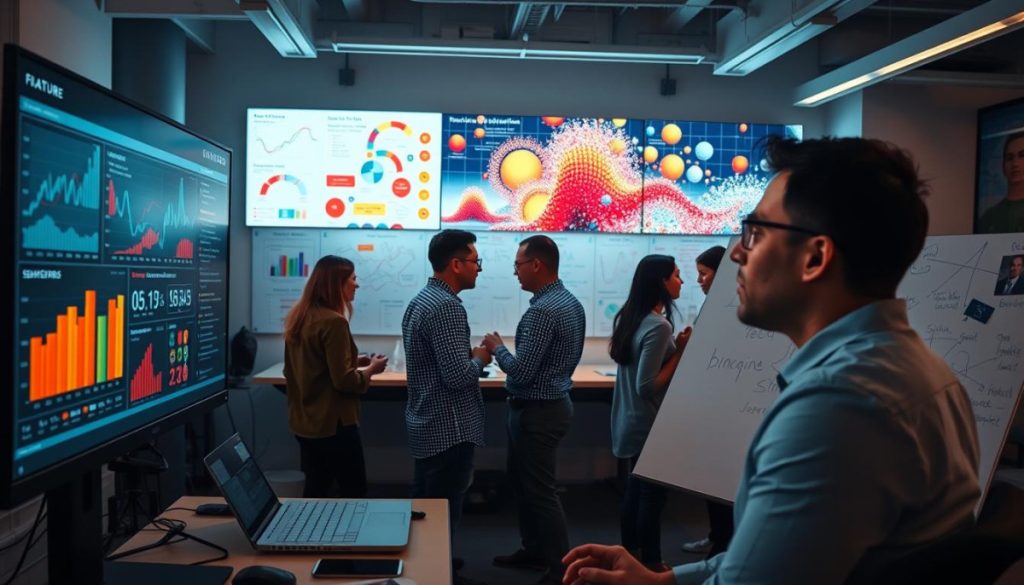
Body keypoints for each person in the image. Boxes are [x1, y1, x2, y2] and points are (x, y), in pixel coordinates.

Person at [563, 136, 981, 585]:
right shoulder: (908, 369)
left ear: (815, 257)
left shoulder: (839, 406)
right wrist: (664, 581)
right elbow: (776, 552)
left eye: (756, 233)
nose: (738, 253)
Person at [481, 235, 586, 585]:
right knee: (527, 485)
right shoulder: (570, 302)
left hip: (537, 411)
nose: (516, 273)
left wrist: (497, 348)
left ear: (536, 264)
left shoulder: (542, 311)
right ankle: (535, 551)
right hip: (550, 405)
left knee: (540, 491)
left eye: (518, 265)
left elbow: (522, 370)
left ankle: (559, 570)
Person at [401, 229, 491, 583]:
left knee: (425, 506)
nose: (478, 269)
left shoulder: (421, 300)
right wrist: (482, 357)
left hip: (427, 422)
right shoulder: (448, 307)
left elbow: (438, 364)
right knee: (443, 510)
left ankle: (426, 567)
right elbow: (457, 377)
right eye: (474, 261)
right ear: (455, 264)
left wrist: (466, 358)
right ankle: (436, 574)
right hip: (449, 428)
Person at [608, 254, 690, 572]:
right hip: (648, 422)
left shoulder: (630, 317)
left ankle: (630, 554)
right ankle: (653, 563)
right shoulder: (658, 325)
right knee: (651, 497)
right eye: (677, 275)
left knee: (636, 490)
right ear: (661, 282)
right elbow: (647, 385)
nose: (680, 281)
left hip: (631, 420)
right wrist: (681, 352)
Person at [283, 255, 388, 498]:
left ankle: (310, 535)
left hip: (306, 422)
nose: (357, 284)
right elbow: (345, 382)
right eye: (353, 279)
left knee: (317, 488)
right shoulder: (334, 323)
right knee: (354, 490)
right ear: (336, 284)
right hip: (334, 424)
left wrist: (355, 361)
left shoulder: (300, 317)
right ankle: (351, 535)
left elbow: (303, 368)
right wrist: (371, 369)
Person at [679, 245, 735, 559]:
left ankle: (724, 544)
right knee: (711, 481)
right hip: (710, 405)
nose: (699, 280)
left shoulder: (732, 307)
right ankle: (717, 538)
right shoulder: (711, 305)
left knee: (724, 483)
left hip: (726, 407)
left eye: (704, 273)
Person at [977, 131, 1024, 233]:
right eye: (1010, 158)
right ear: (1003, 166)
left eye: (1022, 155)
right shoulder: (989, 216)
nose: (1015, 163)